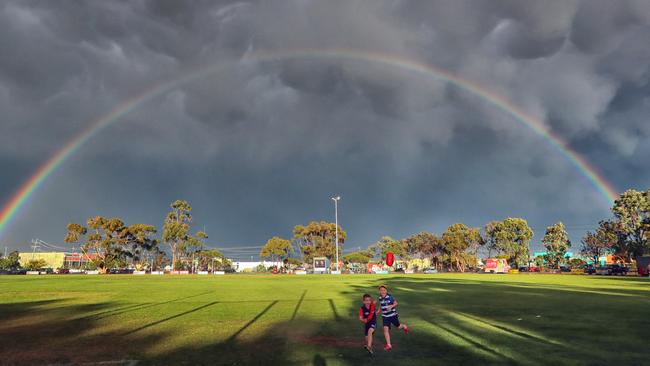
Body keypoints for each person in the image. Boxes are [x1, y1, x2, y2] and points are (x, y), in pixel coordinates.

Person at [377, 284, 409, 351]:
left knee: (398, 326)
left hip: (393, 315)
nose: (382, 291)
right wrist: (378, 311)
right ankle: (389, 345)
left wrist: (391, 306)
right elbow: (380, 305)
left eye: (384, 290)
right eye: (381, 290)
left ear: (386, 291)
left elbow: (396, 303)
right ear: (379, 291)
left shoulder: (390, 297)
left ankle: (404, 326)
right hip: (385, 316)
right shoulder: (380, 298)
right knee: (385, 330)